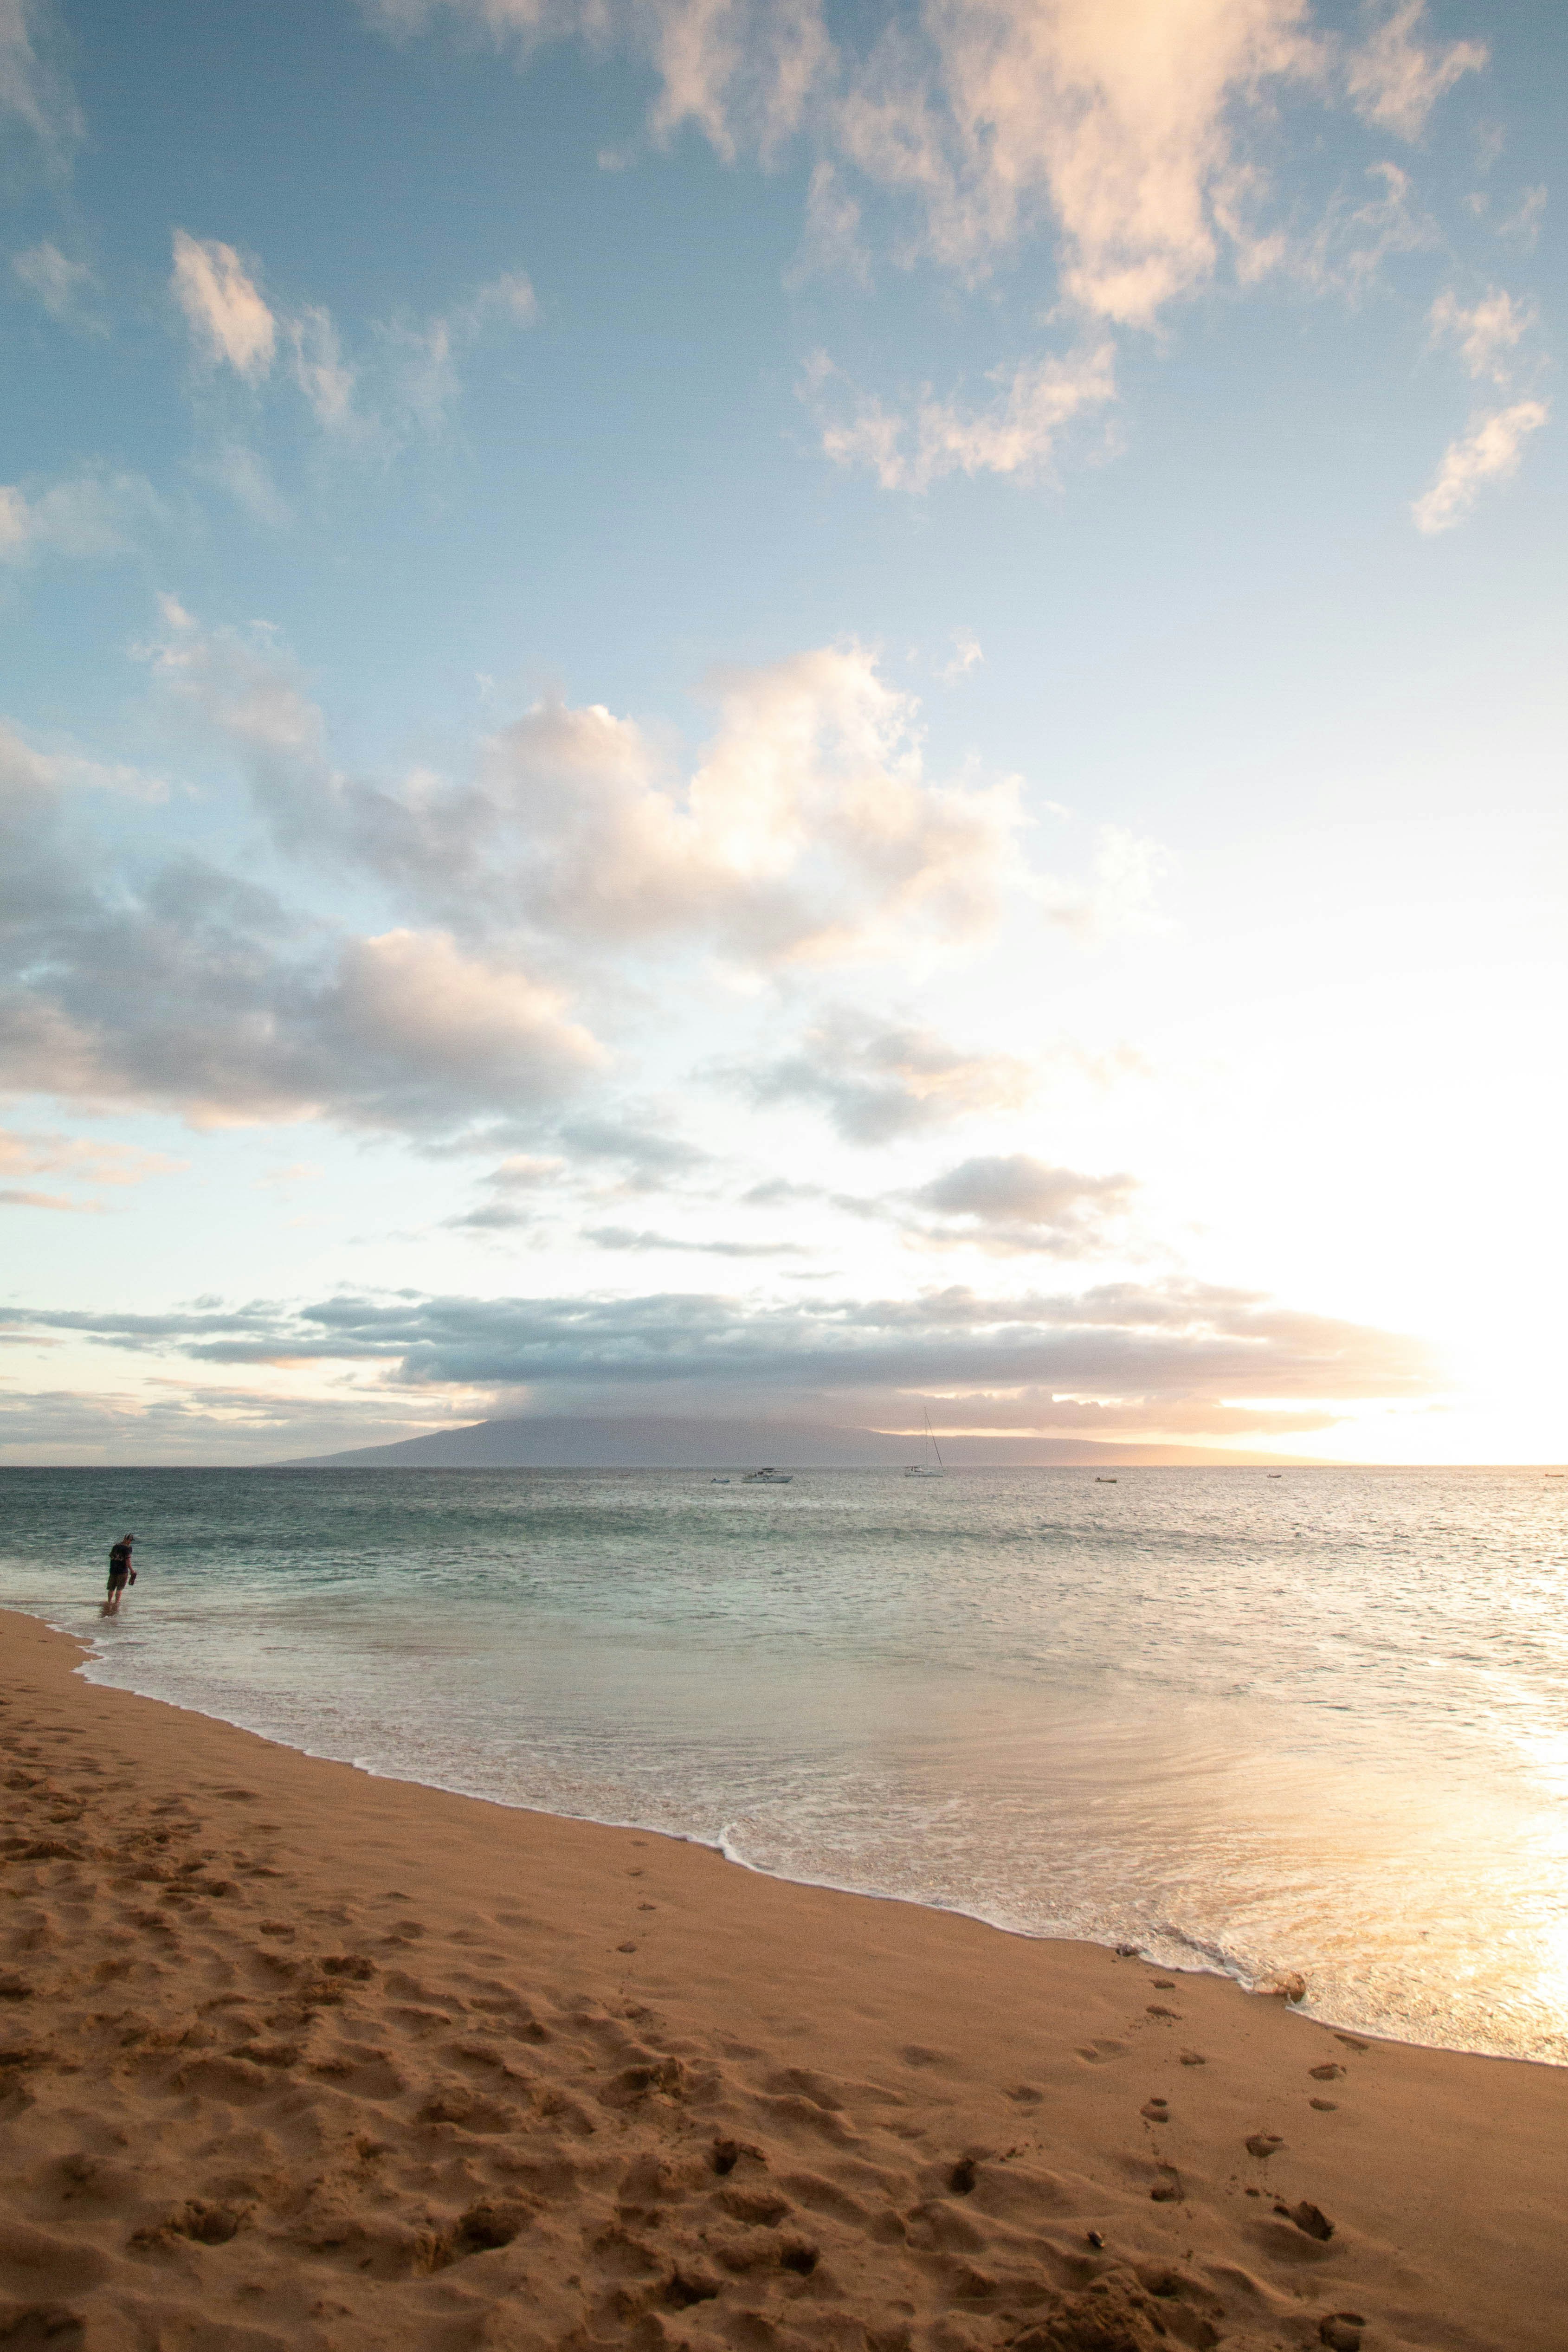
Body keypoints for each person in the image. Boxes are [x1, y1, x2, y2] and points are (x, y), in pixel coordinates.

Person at [103, 1533, 135, 1616]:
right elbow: (128, 1561)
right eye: (131, 1541)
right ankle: (116, 1604)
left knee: (111, 1588)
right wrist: (132, 1570)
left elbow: (111, 1557)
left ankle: (109, 1603)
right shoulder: (128, 1548)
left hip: (113, 1570)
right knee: (120, 1588)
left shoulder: (116, 1546)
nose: (130, 1542)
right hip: (122, 1571)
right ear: (128, 1540)